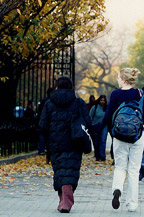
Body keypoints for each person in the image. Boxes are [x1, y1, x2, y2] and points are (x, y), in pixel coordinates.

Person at [101, 68, 144, 212]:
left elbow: (107, 117)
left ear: (124, 80)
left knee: (120, 166)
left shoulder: (115, 94)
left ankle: (117, 188)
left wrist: (94, 128)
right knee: (133, 169)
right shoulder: (140, 94)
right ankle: (132, 204)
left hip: (119, 137)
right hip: (137, 136)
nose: (117, 80)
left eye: (118, 78)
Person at [38, 76, 91, 213]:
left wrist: (43, 143)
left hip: (55, 144)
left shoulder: (49, 104)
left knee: (60, 172)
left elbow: (42, 126)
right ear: (70, 87)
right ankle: (65, 201)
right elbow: (88, 122)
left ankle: (63, 201)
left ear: (57, 87)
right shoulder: (78, 103)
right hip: (75, 142)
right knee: (71, 171)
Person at [89, 95, 108, 161]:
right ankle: (97, 156)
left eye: (104, 100)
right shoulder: (95, 107)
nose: (102, 102)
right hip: (95, 125)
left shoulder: (107, 108)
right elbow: (90, 116)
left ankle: (102, 156)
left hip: (104, 126)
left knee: (103, 140)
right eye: (101, 100)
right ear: (99, 100)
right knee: (96, 141)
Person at [37, 88, 55, 155]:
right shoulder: (53, 101)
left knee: (42, 135)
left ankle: (41, 149)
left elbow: (39, 111)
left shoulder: (44, 101)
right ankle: (49, 149)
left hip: (44, 120)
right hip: (51, 121)